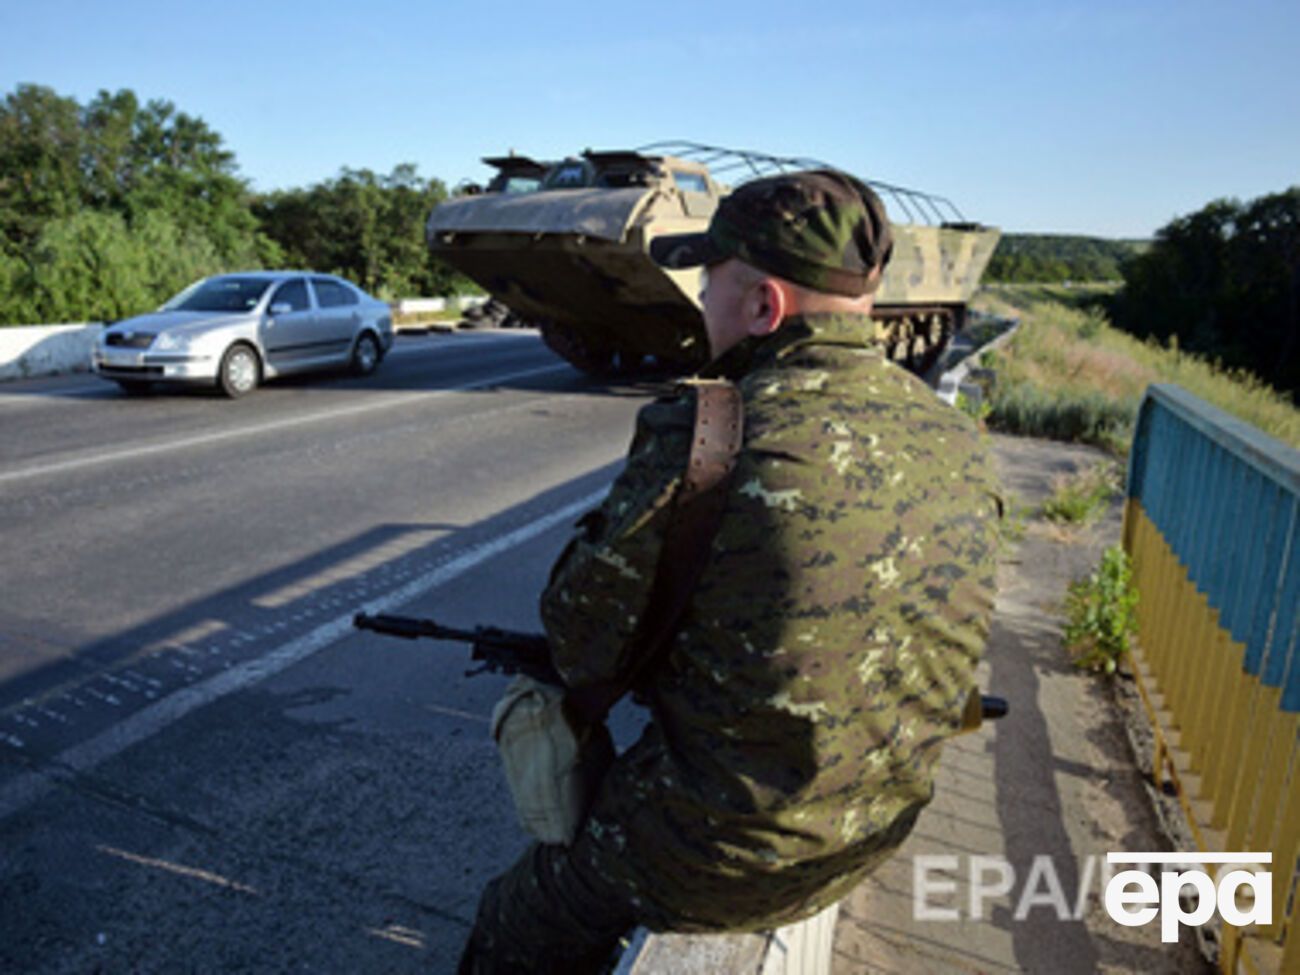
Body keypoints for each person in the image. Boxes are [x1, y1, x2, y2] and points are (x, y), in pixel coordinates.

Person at [458, 169, 1002, 973]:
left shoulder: (707, 431)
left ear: (764, 307)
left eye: (710, 278)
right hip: (876, 829)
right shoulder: (958, 439)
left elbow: (579, 635)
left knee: (523, 913)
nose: (699, 299)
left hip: (724, 859)